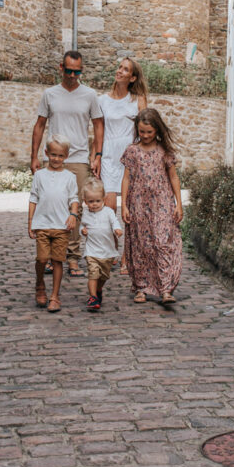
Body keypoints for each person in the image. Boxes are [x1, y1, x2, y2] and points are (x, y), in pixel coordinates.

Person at [30, 50, 104, 278]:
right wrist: (34, 156)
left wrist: (97, 155)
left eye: (77, 71)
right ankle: (54, 256)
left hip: (79, 158)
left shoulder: (89, 95)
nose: (73, 75)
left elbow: (99, 125)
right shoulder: (50, 94)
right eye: (69, 70)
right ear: (61, 68)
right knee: (51, 205)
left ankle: (71, 257)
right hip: (53, 157)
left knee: (76, 209)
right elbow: (40, 125)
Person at [120, 107, 183, 305]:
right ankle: (141, 287)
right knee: (140, 244)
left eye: (149, 132)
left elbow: (173, 177)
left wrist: (179, 203)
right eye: (142, 131)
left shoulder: (165, 151)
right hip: (138, 203)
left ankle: (165, 288)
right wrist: (123, 205)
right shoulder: (132, 150)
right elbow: (126, 178)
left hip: (162, 202)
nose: (145, 135)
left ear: (157, 130)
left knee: (163, 242)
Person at [96, 57, 148, 273]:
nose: (119, 71)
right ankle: (113, 252)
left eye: (125, 69)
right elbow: (98, 131)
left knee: (130, 210)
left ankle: (128, 256)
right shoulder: (102, 100)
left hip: (129, 158)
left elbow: (145, 129)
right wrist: (95, 156)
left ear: (132, 77)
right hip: (108, 156)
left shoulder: (138, 99)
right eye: (119, 67)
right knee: (108, 209)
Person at [28, 135, 80, 313]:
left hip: (61, 226)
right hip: (42, 224)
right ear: (46, 153)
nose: (56, 159)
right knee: (42, 259)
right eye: (53, 155)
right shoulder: (40, 175)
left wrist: (73, 214)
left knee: (58, 260)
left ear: (66, 156)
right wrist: (30, 222)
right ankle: (40, 283)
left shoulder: (69, 177)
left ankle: (55, 296)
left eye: (60, 156)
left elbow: (74, 198)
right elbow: (33, 198)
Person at [80, 178, 122, 312]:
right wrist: (83, 230)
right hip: (92, 251)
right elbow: (82, 225)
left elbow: (114, 221)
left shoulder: (108, 212)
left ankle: (98, 289)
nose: (94, 204)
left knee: (104, 276)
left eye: (97, 201)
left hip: (107, 251)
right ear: (85, 201)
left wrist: (117, 229)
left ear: (103, 199)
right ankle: (93, 297)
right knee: (93, 273)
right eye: (91, 201)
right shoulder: (85, 213)